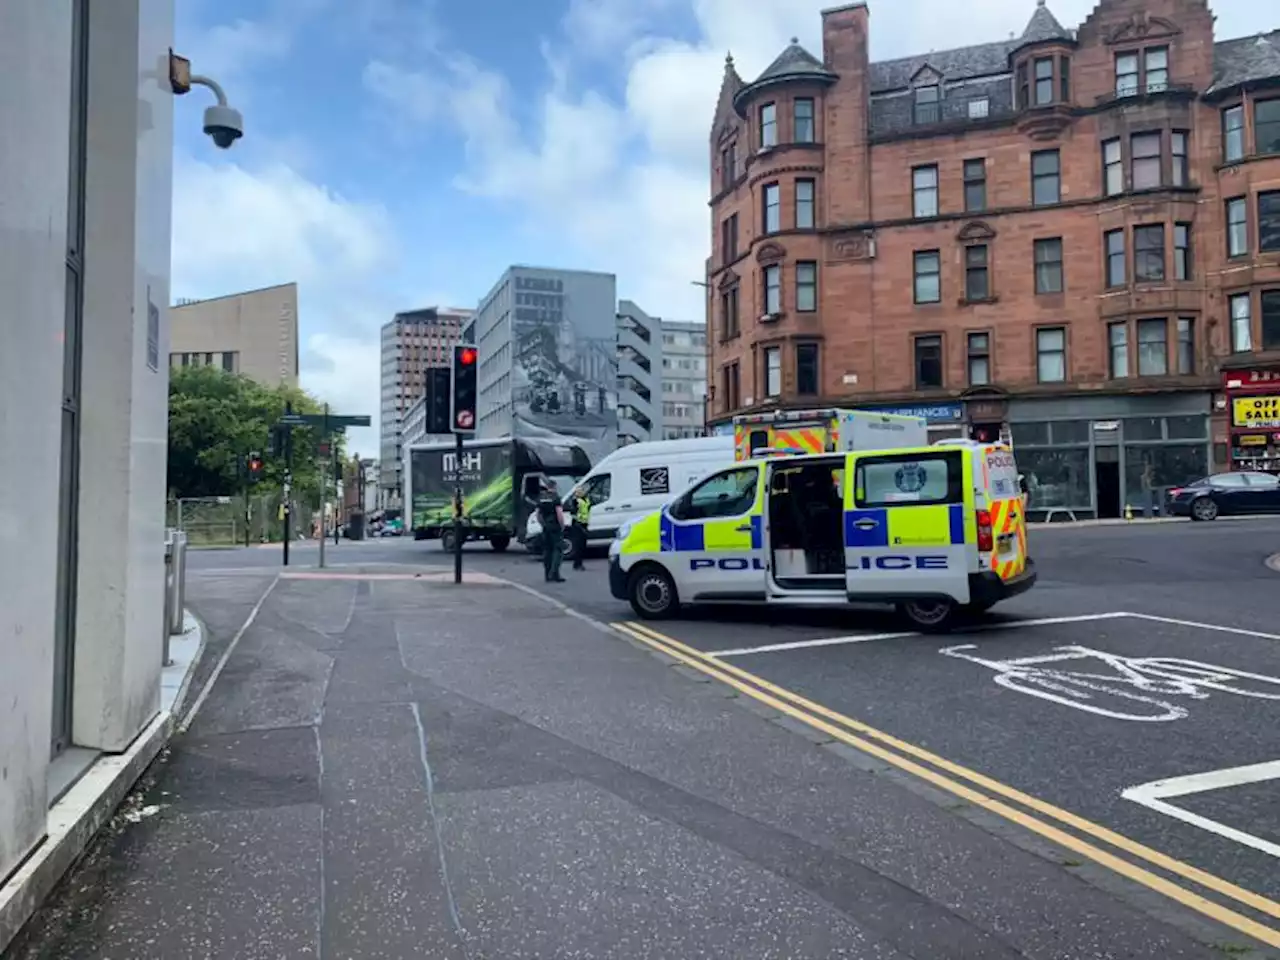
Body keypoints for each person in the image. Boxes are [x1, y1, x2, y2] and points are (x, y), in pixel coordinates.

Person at [537, 480, 566, 582]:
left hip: (546, 527)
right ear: (554, 486)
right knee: (558, 550)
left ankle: (547, 574)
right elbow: (559, 513)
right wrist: (562, 525)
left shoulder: (542, 498)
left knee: (547, 551)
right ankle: (554, 574)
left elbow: (538, 515)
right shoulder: (556, 497)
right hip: (555, 527)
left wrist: (543, 524)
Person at [567, 485, 591, 570]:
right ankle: (577, 564)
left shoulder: (586, 499)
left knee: (583, 545)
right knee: (578, 546)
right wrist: (578, 523)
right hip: (578, 525)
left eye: (581, 491)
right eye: (578, 491)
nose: (580, 493)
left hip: (584, 524)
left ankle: (579, 563)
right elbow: (572, 513)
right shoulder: (575, 501)